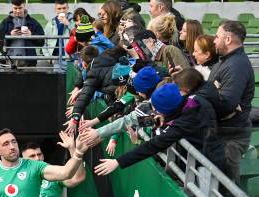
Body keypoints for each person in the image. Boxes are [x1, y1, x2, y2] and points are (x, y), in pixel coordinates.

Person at [94, 81, 225, 176]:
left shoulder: (181, 125)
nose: (154, 110)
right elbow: (158, 120)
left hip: (209, 165)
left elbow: (152, 146)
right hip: (216, 150)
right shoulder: (196, 99)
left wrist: (118, 162)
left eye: (157, 108)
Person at [208, 20, 254, 184]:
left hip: (230, 136)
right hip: (220, 133)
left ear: (228, 39)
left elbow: (226, 104)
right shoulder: (226, 61)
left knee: (225, 188)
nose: (214, 40)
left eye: (217, 36)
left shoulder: (237, 65)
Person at [0, 0, 45, 67]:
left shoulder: (33, 22)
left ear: (24, 6)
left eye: (20, 8)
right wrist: (10, 35)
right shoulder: (5, 22)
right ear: (12, 7)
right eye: (15, 8)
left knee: (29, 77)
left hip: (28, 61)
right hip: (9, 61)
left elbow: (42, 42)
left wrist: (31, 35)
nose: (18, 11)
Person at [42, 0, 75, 70]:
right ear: (55, 10)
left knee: (72, 80)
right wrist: (49, 58)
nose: (62, 11)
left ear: (68, 8)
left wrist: (68, 24)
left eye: (64, 8)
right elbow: (44, 42)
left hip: (72, 60)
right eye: (59, 9)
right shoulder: (50, 23)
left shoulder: (74, 21)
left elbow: (80, 35)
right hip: (57, 60)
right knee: (58, 80)